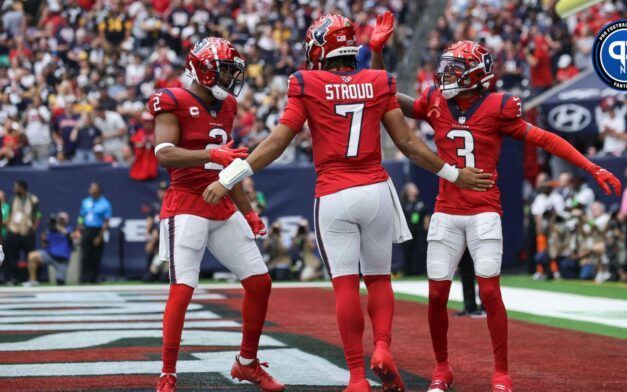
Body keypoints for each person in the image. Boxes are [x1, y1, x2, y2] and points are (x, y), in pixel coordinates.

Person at [201, 14, 487, 392]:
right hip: (376, 190)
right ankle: (383, 348)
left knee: (345, 285)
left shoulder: (306, 82)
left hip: (334, 192)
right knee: (380, 279)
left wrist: (230, 177)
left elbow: (277, 142)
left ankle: (356, 377)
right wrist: (453, 173)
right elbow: (409, 145)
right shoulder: (378, 80)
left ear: (320, 47)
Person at [371, 16, 622, 391]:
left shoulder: (498, 107)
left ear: (474, 75)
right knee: (437, 293)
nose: (445, 77)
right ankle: (442, 368)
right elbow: (386, 95)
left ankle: (501, 372)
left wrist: (590, 165)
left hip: (484, 210)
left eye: (454, 70)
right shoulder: (436, 99)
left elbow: (546, 140)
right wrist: (377, 52)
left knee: (490, 292)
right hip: (446, 209)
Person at [149, 37, 283, 392]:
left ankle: (247, 363)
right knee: (183, 289)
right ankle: (167, 372)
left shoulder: (227, 107)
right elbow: (164, 153)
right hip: (187, 201)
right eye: (223, 71)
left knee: (259, 282)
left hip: (220, 201)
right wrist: (211, 154)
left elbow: (228, 166)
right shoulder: (173, 99)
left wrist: (249, 212)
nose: (229, 79)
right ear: (203, 70)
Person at [2, 181, 40, 285]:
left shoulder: (33, 199)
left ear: (22, 188)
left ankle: (30, 278)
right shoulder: (12, 199)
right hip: (14, 230)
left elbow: (37, 215)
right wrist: (8, 225)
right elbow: (9, 213)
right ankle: (12, 278)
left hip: (27, 231)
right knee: (11, 256)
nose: (14, 189)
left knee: (29, 255)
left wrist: (34, 228)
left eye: (16, 187)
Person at [24, 212, 75, 286]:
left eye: (63, 219)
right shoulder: (50, 230)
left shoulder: (70, 229)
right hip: (50, 255)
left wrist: (59, 228)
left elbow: (72, 236)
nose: (61, 220)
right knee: (32, 256)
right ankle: (33, 280)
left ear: (67, 220)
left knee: (60, 282)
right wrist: (43, 239)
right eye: (60, 218)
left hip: (62, 260)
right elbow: (44, 244)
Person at [79, 182, 112, 284]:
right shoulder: (85, 202)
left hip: (98, 230)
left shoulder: (105, 204)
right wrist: (79, 227)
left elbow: (106, 222)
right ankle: (84, 277)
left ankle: (93, 278)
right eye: (90, 187)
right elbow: (81, 216)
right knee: (85, 255)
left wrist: (100, 236)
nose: (90, 189)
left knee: (96, 256)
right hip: (87, 229)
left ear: (98, 190)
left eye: (93, 188)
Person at [400, 182, 429, 276]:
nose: (415, 189)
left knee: (421, 251)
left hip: (420, 230)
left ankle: (423, 271)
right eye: (413, 188)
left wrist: (426, 224)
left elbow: (426, 214)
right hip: (408, 230)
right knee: (407, 252)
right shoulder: (404, 204)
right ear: (407, 191)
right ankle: (408, 272)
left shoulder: (420, 203)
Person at [454, 250, 486, 318]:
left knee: (483, 268)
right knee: (464, 268)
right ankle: (469, 307)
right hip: (462, 241)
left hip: (479, 241)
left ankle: (485, 308)